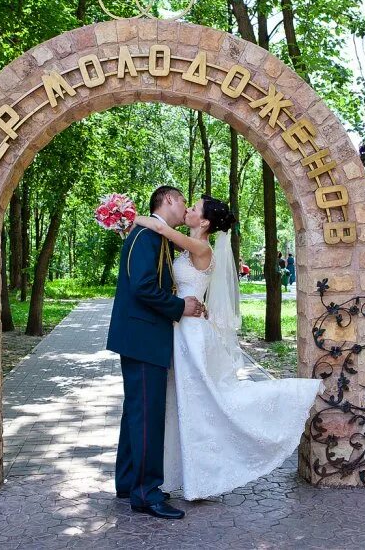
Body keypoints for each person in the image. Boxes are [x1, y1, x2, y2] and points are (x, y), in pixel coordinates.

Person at [135, 195, 321, 502]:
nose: (188, 210)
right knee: (185, 402)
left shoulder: (201, 247)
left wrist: (130, 218)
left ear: (205, 222)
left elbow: (165, 231)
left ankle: (293, 395)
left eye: (194, 209)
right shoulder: (188, 246)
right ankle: (179, 476)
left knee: (206, 401)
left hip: (191, 333)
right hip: (182, 327)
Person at [107, 186, 205, 520]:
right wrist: (181, 307)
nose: (185, 208)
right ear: (167, 201)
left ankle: (127, 482)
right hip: (142, 336)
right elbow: (144, 287)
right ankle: (146, 494)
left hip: (141, 336)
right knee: (147, 416)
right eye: (182, 202)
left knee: (136, 413)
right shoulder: (145, 237)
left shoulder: (156, 235)